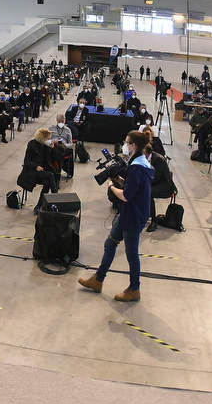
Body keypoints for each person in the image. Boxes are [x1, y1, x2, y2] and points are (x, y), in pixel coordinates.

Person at [77, 130, 154, 302]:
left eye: (127, 143)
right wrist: (118, 179)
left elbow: (126, 195)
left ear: (134, 145)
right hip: (128, 212)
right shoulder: (140, 163)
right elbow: (131, 186)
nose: (125, 145)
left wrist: (111, 186)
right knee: (110, 243)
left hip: (133, 216)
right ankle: (98, 280)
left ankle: (134, 289)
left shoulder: (137, 167)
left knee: (131, 254)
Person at [17, 128, 59, 200]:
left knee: (49, 181)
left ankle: (41, 204)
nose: (49, 140)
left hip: (43, 170)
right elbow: (26, 161)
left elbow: (54, 159)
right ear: (42, 138)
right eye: (48, 139)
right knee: (50, 176)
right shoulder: (32, 145)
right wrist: (36, 166)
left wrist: (53, 149)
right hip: (32, 171)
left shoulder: (46, 146)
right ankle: (55, 197)